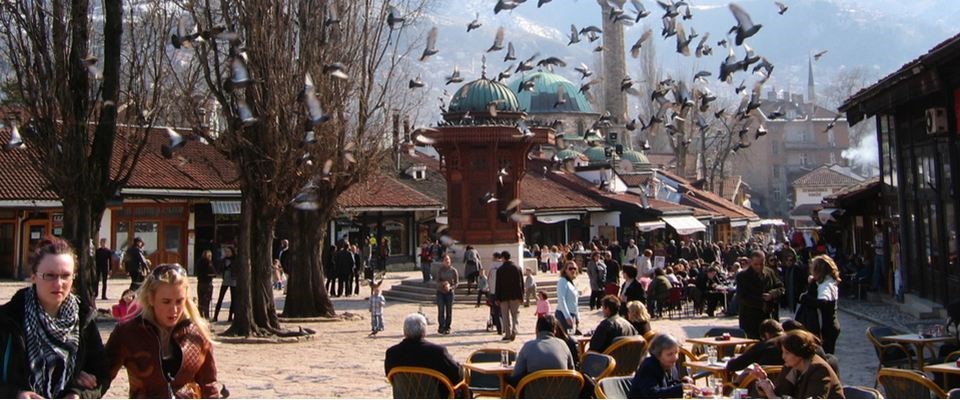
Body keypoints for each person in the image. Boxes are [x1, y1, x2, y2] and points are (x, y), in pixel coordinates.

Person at [0, 238, 108, 399]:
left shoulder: (83, 318)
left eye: (65, 276)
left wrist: (78, 394)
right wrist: (16, 394)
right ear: (34, 277)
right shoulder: (8, 318)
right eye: (49, 276)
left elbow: (101, 375)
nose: (58, 284)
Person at [105, 264, 220, 398]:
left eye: (179, 301)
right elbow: (100, 375)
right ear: (151, 299)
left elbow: (209, 385)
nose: (174, 310)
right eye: (166, 302)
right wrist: (79, 392)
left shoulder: (197, 333)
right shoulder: (128, 332)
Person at [384, 314, 462, 398]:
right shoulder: (437, 352)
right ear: (424, 331)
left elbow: (390, 376)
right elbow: (457, 376)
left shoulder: (392, 353)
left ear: (404, 331)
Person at [749, 330, 843, 399]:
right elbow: (781, 394)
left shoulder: (819, 370)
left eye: (787, 353)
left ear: (799, 353)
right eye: (782, 352)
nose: (783, 357)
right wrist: (764, 384)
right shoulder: (790, 366)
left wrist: (771, 395)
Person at [507, 315, 576, 386]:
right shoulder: (563, 345)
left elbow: (516, 374)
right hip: (561, 393)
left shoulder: (528, 346)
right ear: (555, 330)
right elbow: (572, 371)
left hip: (533, 394)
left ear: (537, 330)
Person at [736, 250, 785, 339]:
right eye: (756, 264)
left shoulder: (769, 272)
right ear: (751, 262)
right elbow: (742, 297)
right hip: (750, 319)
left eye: (761, 264)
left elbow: (781, 287)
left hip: (769, 318)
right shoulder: (742, 276)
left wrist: (772, 294)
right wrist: (762, 301)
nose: (759, 267)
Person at [798, 255, 841, 354]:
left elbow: (823, 303)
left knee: (826, 355)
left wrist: (804, 298)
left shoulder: (827, 285)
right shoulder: (828, 280)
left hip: (826, 327)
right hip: (830, 325)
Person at [629, 333, 694, 398]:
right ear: (658, 354)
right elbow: (652, 393)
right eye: (669, 354)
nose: (675, 358)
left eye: (676, 353)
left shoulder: (665, 364)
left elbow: (666, 386)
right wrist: (680, 388)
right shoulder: (648, 367)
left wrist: (683, 383)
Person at [495, 251, 524, 341]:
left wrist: (497, 298)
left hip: (503, 296)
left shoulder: (500, 270)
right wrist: (522, 296)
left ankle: (507, 334)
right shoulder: (517, 268)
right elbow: (521, 283)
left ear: (503, 258)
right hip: (515, 295)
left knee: (505, 316)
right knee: (515, 314)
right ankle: (514, 329)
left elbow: (498, 285)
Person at [435, 254, 458, 335]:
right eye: (445, 260)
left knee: (449, 311)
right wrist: (443, 284)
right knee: (441, 310)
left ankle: (447, 327)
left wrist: (451, 287)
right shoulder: (440, 270)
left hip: (449, 293)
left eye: (448, 259)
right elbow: (437, 281)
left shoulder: (453, 271)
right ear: (443, 262)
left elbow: (456, 283)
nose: (447, 261)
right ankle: (441, 326)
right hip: (440, 292)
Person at [555, 260, 581, 333]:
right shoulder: (562, 281)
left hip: (572, 314)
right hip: (563, 315)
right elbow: (561, 300)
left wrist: (577, 316)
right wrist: (567, 317)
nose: (573, 270)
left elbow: (575, 302)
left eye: (574, 268)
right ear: (565, 270)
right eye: (570, 268)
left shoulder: (572, 283)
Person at [213, 246, 236, 322]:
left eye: (228, 252)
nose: (227, 253)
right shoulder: (223, 260)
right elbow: (219, 269)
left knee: (233, 300)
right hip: (225, 280)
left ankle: (230, 317)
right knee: (220, 298)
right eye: (226, 252)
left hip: (233, 280)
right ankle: (215, 316)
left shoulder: (235, 260)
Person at [195, 250, 217, 319]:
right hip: (207, 283)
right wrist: (211, 275)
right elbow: (214, 273)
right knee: (207, 300)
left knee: (201, 299)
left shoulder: (199, 262)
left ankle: (200, 314)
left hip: (200, 283)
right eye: (209, 256)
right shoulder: (208, 263)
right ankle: (206, 315)